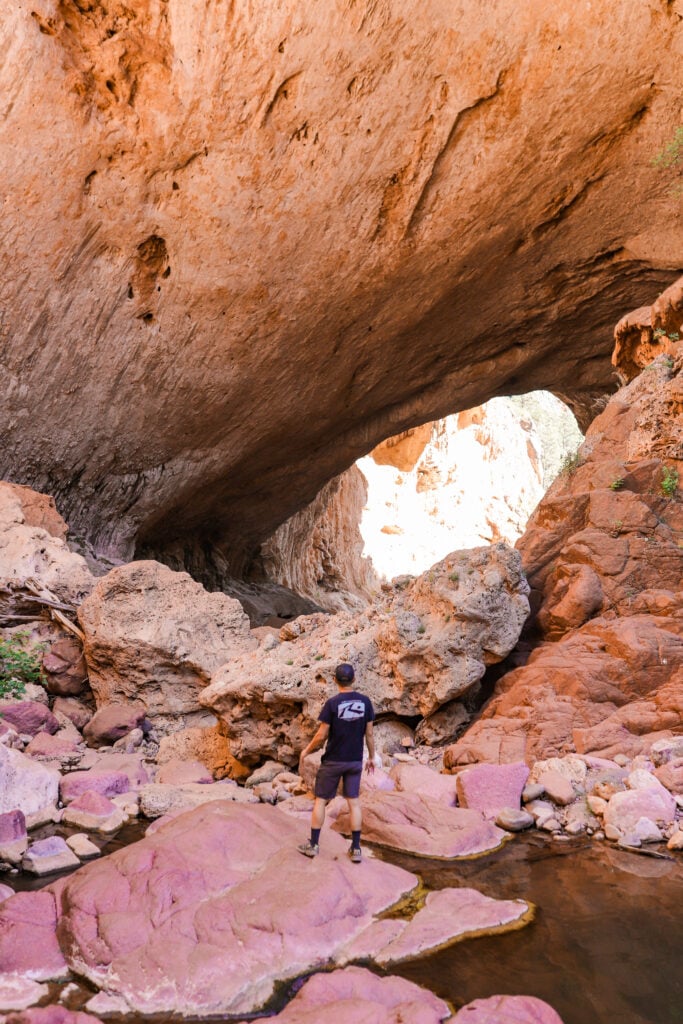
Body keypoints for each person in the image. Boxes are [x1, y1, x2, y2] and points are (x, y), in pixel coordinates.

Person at [297, 662, 376, 863]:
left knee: (321, 801)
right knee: (354, 803)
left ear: (335, 680)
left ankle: (313, 845)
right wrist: (372, 757)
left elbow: (321, 735)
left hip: (333, 761)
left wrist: (306, 751)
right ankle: (356, 849)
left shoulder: (332, 704)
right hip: (354, 761)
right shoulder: (365, 702)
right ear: (354, 680)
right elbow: (369, 734)